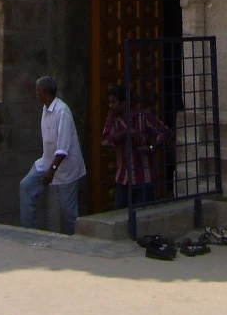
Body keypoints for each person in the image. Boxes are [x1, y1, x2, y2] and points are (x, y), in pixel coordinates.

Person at [20, 76, 86, 234]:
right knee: (26, 186)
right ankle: (29, 232)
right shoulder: (45, 109)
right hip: (47, 162)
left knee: (68, 211)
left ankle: (74, 241)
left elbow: (63, 149)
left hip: (65, 167)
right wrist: (48, 167)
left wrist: (52, 170)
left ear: (44, 92)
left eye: (37, 90)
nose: (36, 94)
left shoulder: (62, 112)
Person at [101, 85, 171, 208]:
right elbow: (105, 141)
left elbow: (165, 132)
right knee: (120, 215)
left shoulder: (142, 116)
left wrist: (151, 147)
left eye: (113, 102)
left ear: (123, 103)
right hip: (123, 178)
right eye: (109, 102)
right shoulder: (113, 119)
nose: (110, 105)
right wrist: (126, 132)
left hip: (143, 177)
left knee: (142, 216)